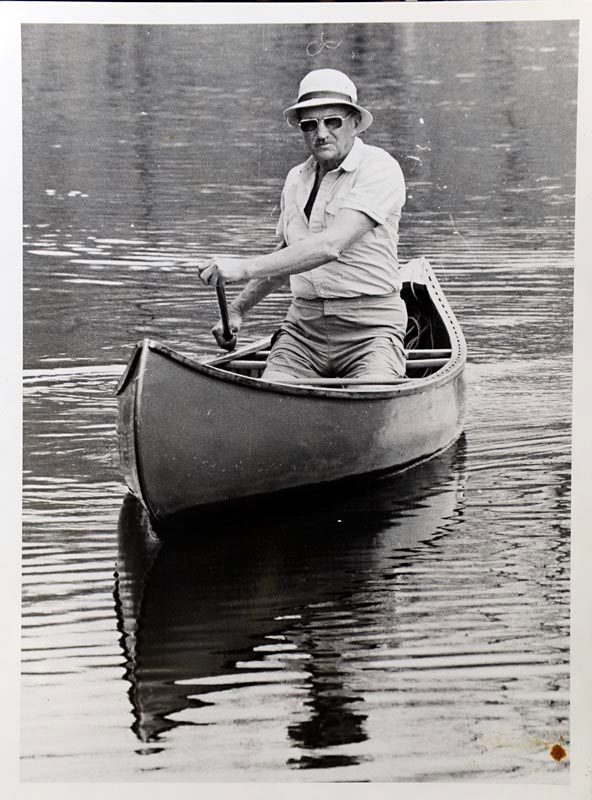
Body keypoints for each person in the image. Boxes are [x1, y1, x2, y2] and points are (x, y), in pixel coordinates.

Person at [198, 68, 408, 383]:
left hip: (371, 329)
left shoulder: (380, 168)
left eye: (332, 122)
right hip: (304, 330)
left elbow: (330, 245)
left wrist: (242, 268)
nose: (321, 133)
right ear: (301, 129)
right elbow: (289, 255)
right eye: (310, 124)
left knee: (367, 395)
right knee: (270, 395)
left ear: (353, 121)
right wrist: (239, 309)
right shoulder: (296, 178)